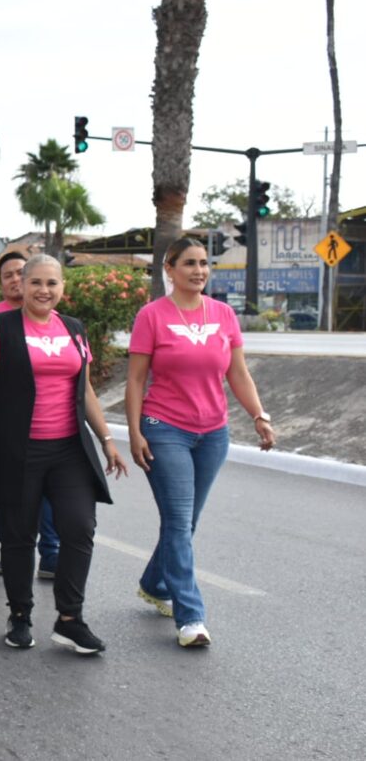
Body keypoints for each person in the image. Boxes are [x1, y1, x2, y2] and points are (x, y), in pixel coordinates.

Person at [0, 254, 127, 655]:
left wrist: (106, 438)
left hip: (69, 448)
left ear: (62, 287)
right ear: (21, 284)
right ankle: (20, 616)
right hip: (16, 447)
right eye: (35, 282)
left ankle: (69, 619)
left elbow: (85, 390)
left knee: (79, 526)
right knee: (20, 536)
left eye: (52, 283)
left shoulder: (73, 329)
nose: (44, 290)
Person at [125, 238, 275, 648]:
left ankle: (154, 582)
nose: (199, 270)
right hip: (164, 427)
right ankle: (190, 617)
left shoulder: (224, 315)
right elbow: (136, 378)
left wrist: (258, 415)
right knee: (177, 522)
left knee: (185, 524)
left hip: (213, 432)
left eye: (204, 263)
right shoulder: (152, 316)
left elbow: (238, 374)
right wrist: (136, 431)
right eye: (189, 263)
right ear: (169, 269)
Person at [0, 252, 61, 579]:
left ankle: (51, 552)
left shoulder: (55, 320)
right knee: (9, 493)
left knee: (50, 492)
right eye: (10, 275)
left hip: (51, 430)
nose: (16, 280)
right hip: (7, 424)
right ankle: (10, 546)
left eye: (20, 272)